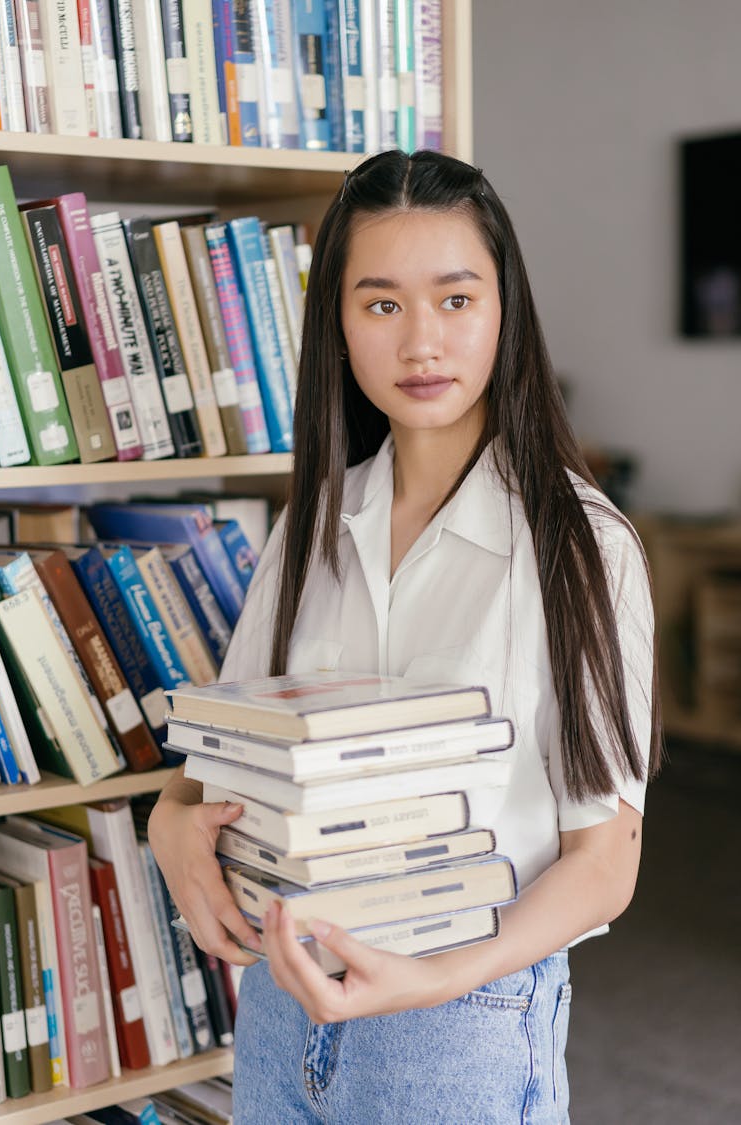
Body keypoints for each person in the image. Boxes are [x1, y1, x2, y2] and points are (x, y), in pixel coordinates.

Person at [148, 149, 662, 1124]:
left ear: (505, 312)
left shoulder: (581, 548)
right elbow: (221, 764)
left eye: (455, 300)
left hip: (459, 1018)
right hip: (281, 1001)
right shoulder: (311, 527)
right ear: (339, 327)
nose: (422, 341)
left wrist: (432, 981)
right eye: (381, 305)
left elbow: (606, 865)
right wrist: (172, 825)